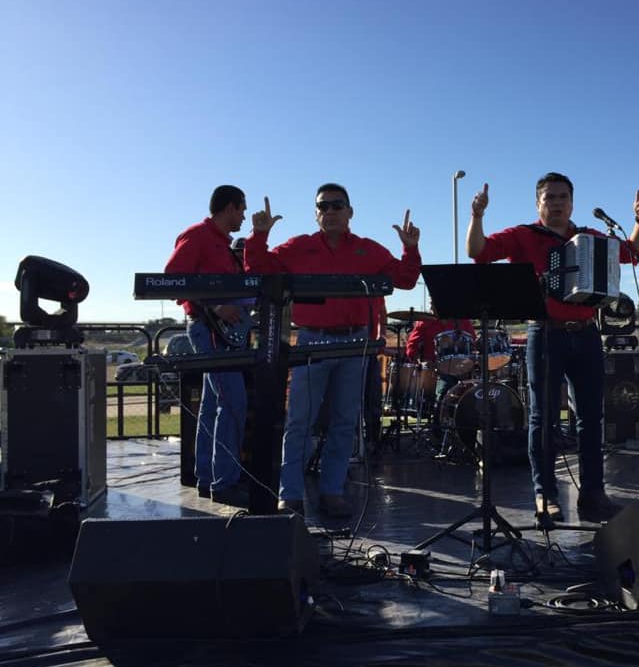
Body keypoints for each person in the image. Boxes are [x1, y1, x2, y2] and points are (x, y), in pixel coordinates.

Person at [467, 172, 639, 522]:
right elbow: (477, 251)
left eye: (563, 197)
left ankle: (593, 495)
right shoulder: (523, 235)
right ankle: (545, 495)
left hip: (586, 333)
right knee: (543, 417)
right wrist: (477, 216)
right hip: (545, 333)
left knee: (591, 417)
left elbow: (633, 253)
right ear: (538, 203)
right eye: (549, 197)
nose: (556, 203)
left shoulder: (589, 237)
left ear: (572, 202)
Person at [244, 183, 421, 517]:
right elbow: (257, 269)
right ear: (316, 214)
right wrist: (259, 235)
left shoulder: (369, 250)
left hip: (355, 344)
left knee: (344, 421)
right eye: (323, 206)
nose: (330, 212)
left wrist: (410, 249)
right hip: (312, 342)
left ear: (350, 212)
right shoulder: (298, 247)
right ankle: (290, 494)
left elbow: (406, 279)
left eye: (337, 205)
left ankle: (332, 492)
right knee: (300, 421)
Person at [164, 185, 253, 506]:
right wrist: (215, 307)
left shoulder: (221, 244)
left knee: (213, 405)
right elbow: (172, 278)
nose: (243, 216)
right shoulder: (197, 236)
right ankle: (223, 482)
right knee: (232, 403)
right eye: (242, 210)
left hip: (220, 331)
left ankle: (206, 478)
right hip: (210, 329)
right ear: (230, 208)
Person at [405, 307, 477, 456]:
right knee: (445, 389)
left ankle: (468, 436)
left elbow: (473, 343)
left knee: (472, 392)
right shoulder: (424, 322)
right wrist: (422, 362)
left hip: (462, 370)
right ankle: (440, 435)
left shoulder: (463, 321)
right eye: (433, 304)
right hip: (435, 371)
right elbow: (411, 347)